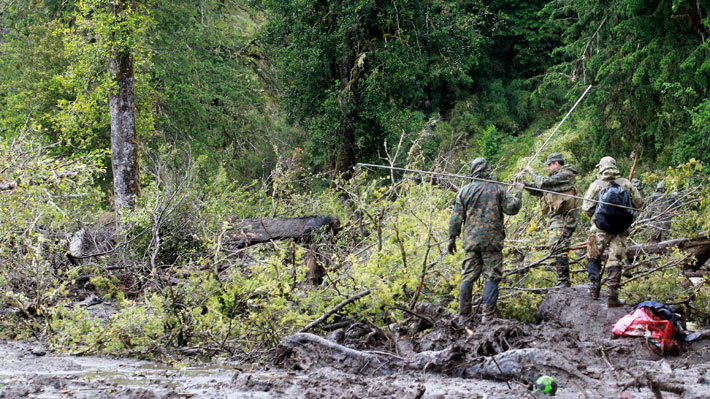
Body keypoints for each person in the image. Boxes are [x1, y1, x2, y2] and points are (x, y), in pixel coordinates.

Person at [448, 157, 524, 320]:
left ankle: (464, 316)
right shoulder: (498, 189)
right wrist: (518, 191)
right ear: (487, 171)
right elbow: (512, 208)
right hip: (492, 242)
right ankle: (487, 316)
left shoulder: (464, 191)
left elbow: (455, 218)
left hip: (472, 242)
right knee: (492, 276)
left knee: (468, 276)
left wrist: (451, 239)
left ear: (473, 171)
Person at [582, 156, 644, 307]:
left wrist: (598, 216)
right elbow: (639, 204)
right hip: (620, 230)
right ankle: (612, 298)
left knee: (593, 256)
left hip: (600, 229)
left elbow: (586, 208)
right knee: (615, 260)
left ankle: (594, 290)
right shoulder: (626, 183)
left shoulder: (597, 184)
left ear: (601, 167)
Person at [523, 152, 579, 287]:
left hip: (565, 217)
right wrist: (523, 185)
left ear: (556, 164)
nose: (548, 168)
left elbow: (543, 183)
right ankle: (562, 280)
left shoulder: (566, 175)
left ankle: (564, 281)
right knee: (556, 246)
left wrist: (531, 172)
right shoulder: (556, 178)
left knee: (558, 245)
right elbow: (539, 189)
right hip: (556, 218)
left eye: (549, 165)